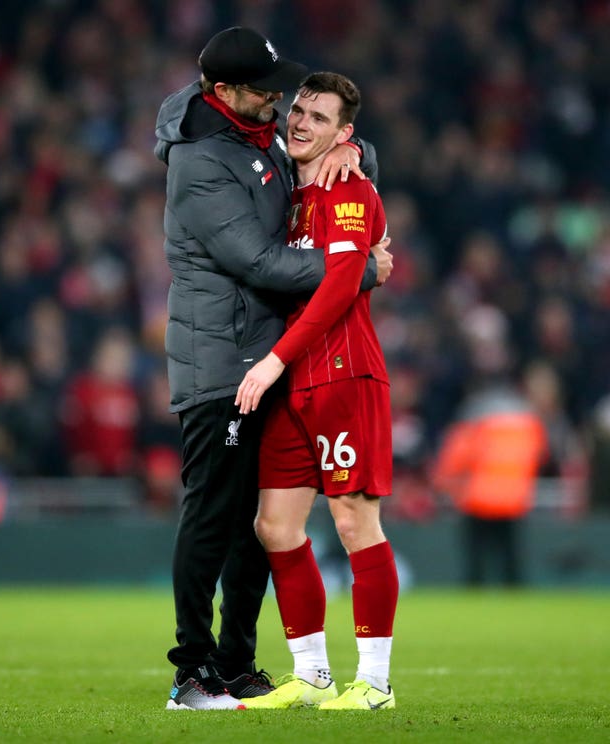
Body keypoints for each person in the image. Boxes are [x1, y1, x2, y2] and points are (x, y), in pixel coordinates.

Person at [154, 27, 392, 711]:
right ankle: (191, 672)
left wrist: (353, 148)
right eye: (266, 89)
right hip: (221, 362)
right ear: (224, 92)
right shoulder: (201, 162)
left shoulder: (259, 141)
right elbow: (257, 263)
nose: (280, 99)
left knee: (263, 526)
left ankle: (236, 665)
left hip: (268, 359)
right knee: (212, 517)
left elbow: (326, 149)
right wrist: (357, 270)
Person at [235, 72, 399, 710]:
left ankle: (376, 684)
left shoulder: (348, 185)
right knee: (275, 526)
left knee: (355, 520)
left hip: (342, 374)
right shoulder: (288, 190)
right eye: (298, 110)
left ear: (345, 134)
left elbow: (339, 286)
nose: (301, 124)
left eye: (320, 119)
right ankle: (310, 676)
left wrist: (272, 361)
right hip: (295, 384)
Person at [432, 373, 548, 585]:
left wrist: (444, 486)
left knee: (476, 560)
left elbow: (454, 460)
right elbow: (540, 456)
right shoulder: (529, 423)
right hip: (514, 499)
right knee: (511, 558)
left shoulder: (474, 419)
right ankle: (515, 599)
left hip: (478, 499)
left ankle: (475, 594)